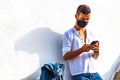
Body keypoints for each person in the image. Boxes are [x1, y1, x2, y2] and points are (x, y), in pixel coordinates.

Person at [62, 4, 103, 80]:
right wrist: (82, 50)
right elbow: (65, 56)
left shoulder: (91, 34)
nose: (85, 21)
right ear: (76, 16)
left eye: (87, 19)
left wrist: (96, 51)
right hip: (79, 74)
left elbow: (95, 57)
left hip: (94, 73)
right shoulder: (68, 34)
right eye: (83, 18)